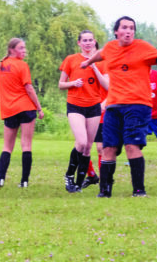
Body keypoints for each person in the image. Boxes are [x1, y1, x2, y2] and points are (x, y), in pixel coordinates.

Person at [81, 16, 157, 197]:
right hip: (114, 106)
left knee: (132, 145)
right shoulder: (111, 47)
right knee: (108, 148)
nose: (129, 31)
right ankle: (105, 191)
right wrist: (88, 62)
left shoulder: (143, 47)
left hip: (138, 104)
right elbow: (101, 54)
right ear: (116, 31)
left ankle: (139, 190)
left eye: (132, 28)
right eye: (124, 27)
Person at [59, 30, 109, 192]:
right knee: (81, 142)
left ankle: (78, 183)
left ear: (95, 42)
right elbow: (61, 84)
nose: (88, 43)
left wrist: (93, 66)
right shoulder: (71, 60)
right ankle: (69, 176)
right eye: (84, 40)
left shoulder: (102, 62)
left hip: (94, 106)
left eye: (90, 40)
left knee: (88, 147)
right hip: (75, 105)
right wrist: (73, 83)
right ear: (79, 43)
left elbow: (107, 86)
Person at [0, 38, 44, 188]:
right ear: (12, 50)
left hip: (9, 109)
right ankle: (24, 181)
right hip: (26, 107)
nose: (24, 51)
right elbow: (29, 88)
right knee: (26, 145)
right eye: (21, 48)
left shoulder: (1, 65)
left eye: (24, 48)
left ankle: (1, 179)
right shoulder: (22, 65)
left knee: (7, 147)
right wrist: (39, 108)